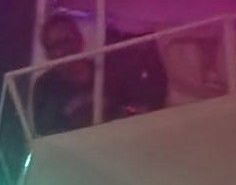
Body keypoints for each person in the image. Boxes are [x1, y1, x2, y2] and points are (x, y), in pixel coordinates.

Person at [30, 10, 167, 133]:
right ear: (47, 54)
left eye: (66, 41)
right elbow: (45, 133)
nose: (61, 51)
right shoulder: (45, 86)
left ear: (80, 41)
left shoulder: (107, 72)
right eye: (53, 46)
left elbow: (137, 105)